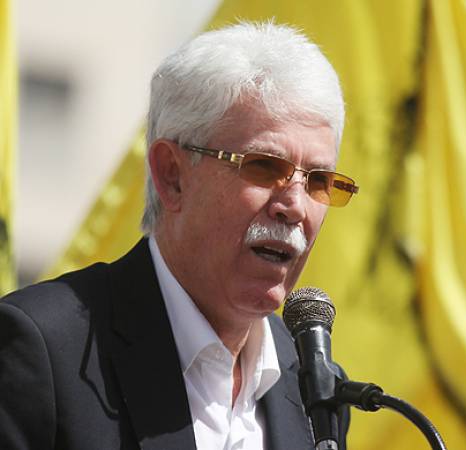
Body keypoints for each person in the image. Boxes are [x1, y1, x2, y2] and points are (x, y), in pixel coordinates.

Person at [0, 21, 357, 450]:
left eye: (318, 180)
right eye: (264, 166)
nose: (295, 207)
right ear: (172, 175)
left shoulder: (316, 388)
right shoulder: (41, 349)